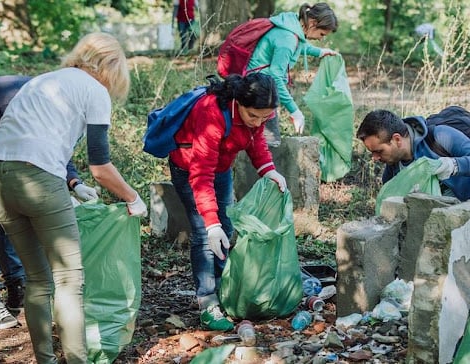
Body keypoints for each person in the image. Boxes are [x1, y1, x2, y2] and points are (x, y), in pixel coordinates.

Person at [0, 32, 147, 363]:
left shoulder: (43, 81)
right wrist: (133, 197)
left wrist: (72, 183)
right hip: (39, 179)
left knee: (38, 280)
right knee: (69, 280)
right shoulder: (95, 90)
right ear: (111, 66)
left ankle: (46, 360)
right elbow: (100, 167)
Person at [0, 76, 99, 330]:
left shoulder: (53, 100)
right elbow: (34, 148)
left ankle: (16, 286)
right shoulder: (28, 99)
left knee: (7, 221)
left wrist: (74, 183)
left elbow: (54, 148)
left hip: (0, 157)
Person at [169, 73, 287, 331]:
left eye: (264, 117)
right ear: (239, 102)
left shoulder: (257, 115)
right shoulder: (211, 112)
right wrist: (210, 223)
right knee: (204, 232)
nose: (258, 122)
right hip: (189, 167)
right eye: (253, 116)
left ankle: (224, 285)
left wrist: (269, 170)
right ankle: (207, 299)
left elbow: (256, 142)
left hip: (221, 167)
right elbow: (201, 175)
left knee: (227, 226)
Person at [245, 2, 338, 146]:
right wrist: (295, 111)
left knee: (261, 140)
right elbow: (275, 76)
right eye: (322, 34)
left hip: (260, 83)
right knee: (270, 143)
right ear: (313, 23)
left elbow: (300, 43)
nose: (321, 39)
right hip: (257, 89)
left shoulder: (293, 25)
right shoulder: (287, 39)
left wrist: (320, 52)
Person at [356, 109, 470, 202]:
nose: (375, 158)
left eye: (379, 151)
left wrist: (453, 165)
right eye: (372, 153)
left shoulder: (440, 136)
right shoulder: (393, 172)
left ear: (397, 139)